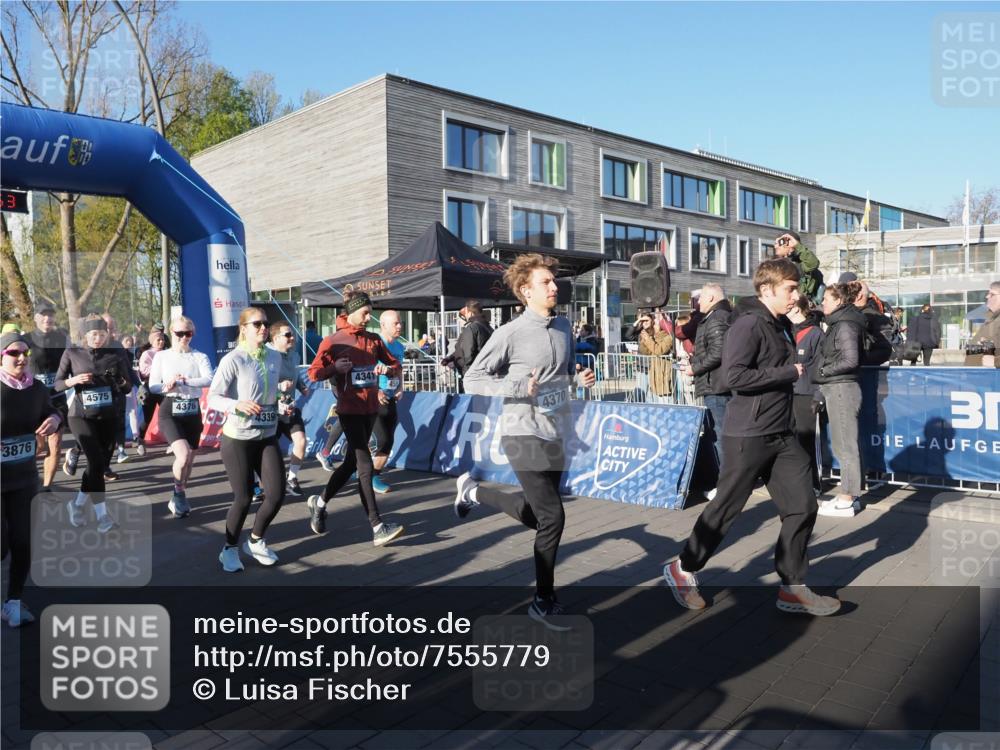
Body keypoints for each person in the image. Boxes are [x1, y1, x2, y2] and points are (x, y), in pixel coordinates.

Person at [663, 259, 840, 617]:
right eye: (790, 288)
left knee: (803, 506)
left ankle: (792, 586)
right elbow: (735, 378)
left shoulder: (778, 324)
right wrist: (788, 371)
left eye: (797, 288)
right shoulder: (747, 324)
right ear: (766, 290)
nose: (797, 295)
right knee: (726, 509)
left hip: (781, 432)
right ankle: (683, 568)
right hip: (748, 433)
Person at [456, 254, 596, 627]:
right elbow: (472, 379)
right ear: (525, 291)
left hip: (555, 431)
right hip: (520, 431)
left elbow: (560, 375)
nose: (554, 287)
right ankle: (543, 599)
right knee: (553, 516)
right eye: (546, 282)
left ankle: (473, 493)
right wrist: (517, 385)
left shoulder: (564, 326)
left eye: (554, 281)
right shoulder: (510, 333)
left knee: (538, 514)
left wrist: (577, 379)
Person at [306, 292, 405, 547]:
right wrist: (334, 369)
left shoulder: (373, 340)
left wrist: (387, 368)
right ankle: (377, 526)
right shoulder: (333, 341)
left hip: (370, 410)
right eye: (365, 313)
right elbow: (314, 373)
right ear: (351, 311)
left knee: (350, 464)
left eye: (370, 312)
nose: (368, 317)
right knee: (364, 465)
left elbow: (395, 364)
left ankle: (319, 502)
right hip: (349, 411)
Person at [209, 307, 286, 572]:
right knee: (243, 498)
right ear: (243, 328)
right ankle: (228, 549)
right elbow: (213, 398)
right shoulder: (234, 359)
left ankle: (255, 540)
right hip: (238, 438)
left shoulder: (275, 357)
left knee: (276, 495)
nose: (263, 328)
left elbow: (271, 394)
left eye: (265, 324)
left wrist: (281, 402)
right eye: (257, 324)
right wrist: (236, 405)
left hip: (266, 435)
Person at [1, 332, 62, 627]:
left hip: (24, 478)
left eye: (25, 353)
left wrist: (54, 420)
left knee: (23, 541)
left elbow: (51, 410)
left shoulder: (36, 388)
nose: (22, 358)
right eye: (14, 353)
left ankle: (12, 601)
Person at [54, 315, 133, 533]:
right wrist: (74, 381)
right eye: (93, 335)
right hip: (80, 417)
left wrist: (119, 380)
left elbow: (127, 388)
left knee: (96, 466)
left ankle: (76, 504)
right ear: (85, 335)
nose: (97, 338)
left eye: (101, 334)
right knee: (96, 462)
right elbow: (58, 384)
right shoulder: (72, 353)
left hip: (108, 417)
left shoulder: (117, 354)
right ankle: (103, 518)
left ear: (107, 334)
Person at [148, 315, 214, 518]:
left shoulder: (199, 356)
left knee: (190, 460)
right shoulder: (162, 356)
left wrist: (185, 381)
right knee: (183, 455)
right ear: (171, 333)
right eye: (179, 334)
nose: (184, 337)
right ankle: (177, 492)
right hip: (170, 410)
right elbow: (153, 386)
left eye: (188, 333)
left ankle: (180, 492)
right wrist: (167, 385)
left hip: (192, 411)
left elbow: (209, 379)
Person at [814, 282, 867, 517]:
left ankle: (847, 498)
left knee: (845, 445)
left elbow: (850, 359)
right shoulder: (840, 323)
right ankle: (848, 493)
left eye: (826, 298)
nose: (822, 302)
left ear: (838, 301)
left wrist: (824, 371)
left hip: (841, 388)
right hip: (838, 387)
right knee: (842, 444)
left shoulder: (844, 324)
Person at [684, 284, 734, 476]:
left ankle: (726, 483)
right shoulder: (720, 316)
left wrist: (694, 368)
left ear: (712, 298)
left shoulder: (717, 318)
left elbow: (718, 353)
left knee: (721, 435)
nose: (698, 302)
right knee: (722, 434)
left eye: (702, 298)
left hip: (717, 387)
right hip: (717, 385)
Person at [26, 303, 70, 493]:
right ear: (36, 318)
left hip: (56, 397)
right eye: (43, 315)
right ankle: (26, 476)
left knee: (56, 444)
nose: (47, 319)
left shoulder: (62, 337)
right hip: (33, 398)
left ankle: (46, 487)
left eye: (50, 315)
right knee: (38, 445)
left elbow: (74, 357)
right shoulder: (26, 339)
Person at [267, 321, 310, 497]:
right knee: (266, 451)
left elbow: (295, 373)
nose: (292, 338)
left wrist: (301, 386)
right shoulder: (267, 355)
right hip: (270, 410)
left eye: (292, 334)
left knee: (300, 442)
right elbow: (260, 382)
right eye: (287, 335)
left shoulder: (294, 354)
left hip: (289, 407)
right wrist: (278, 386)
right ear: (276, 338)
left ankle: (291, 478)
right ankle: (255, 483)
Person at [786, 297, 823, 496]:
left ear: (799, 308)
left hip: (806, 393)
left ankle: (813, 484)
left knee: (806, 441)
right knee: (790, 441)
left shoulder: (815, 333)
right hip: (787, 392)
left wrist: (819, 394)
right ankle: (796, 482)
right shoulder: (785, 330)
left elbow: (820, 365)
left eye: (791, 306)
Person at [371, 310, 406, 493]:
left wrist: (401, 387)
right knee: (382, 439)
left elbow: (399, 369)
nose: (400, 326)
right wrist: (376, 391)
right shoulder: (375, 344)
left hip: (391, 397)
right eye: (395, 323)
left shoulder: (399, 347)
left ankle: (365, 470)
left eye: (400, 323)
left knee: (389, 439)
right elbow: (367, 370)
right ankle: (372, 476)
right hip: (375, 398)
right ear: (383, 325)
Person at [450, 301, 493, 389]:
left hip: (473, 374)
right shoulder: (489, 327)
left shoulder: (472, 328)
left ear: (469, 313)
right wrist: (451, 358)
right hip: (485, 372)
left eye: (465, 314)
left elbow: (468, 354)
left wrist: (459, 365)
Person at [137, 330, 167, 453]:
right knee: (146, 418)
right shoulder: (147, 354)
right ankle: (140, 440)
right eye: (158, 340)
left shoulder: (168, 353)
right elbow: (144, 371)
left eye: (163, 340)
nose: (161, 342)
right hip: (150, 388)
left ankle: (174, 442)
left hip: (165, 388)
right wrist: (160, 369)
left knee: (167, 415)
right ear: (152, 341)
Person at [775, 231, 824, 303]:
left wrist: (797, 246)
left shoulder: (799, 265)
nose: (776, 246)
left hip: (796, 306)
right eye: (775, 243)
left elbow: (813, 263)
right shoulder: (773, 264)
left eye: (780, 243)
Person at [637, 310, 674, 403]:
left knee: (666, 405)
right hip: (654, 377)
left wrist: (648, 339)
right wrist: (644, 340)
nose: (653, 323)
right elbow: (646, 353)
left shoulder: (668, 337)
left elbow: (659, 351)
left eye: (656, 321)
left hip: (664, 377)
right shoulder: (653, 337)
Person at [965, 282, 1000, 367]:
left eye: (992, 294)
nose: (987, 296)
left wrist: (995, 362)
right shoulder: (990, 318)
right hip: (977, 375)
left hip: (991, 377)